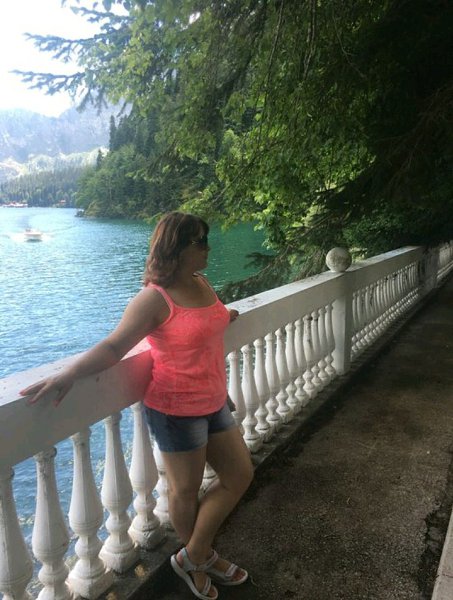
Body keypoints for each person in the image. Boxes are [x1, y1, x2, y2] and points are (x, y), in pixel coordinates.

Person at [20, 212, 254, 600]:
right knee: (185, 490)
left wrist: (224, 315)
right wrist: (68, 374)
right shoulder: (153, 298)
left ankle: (192, 555)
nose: (207, 248)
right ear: (176, 249)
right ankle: (200, 558)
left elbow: (202, 328)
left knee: (240, 474)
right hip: (176, 410)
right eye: (199, 241)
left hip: (214, 400)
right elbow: (115, 346)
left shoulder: (201, 282)